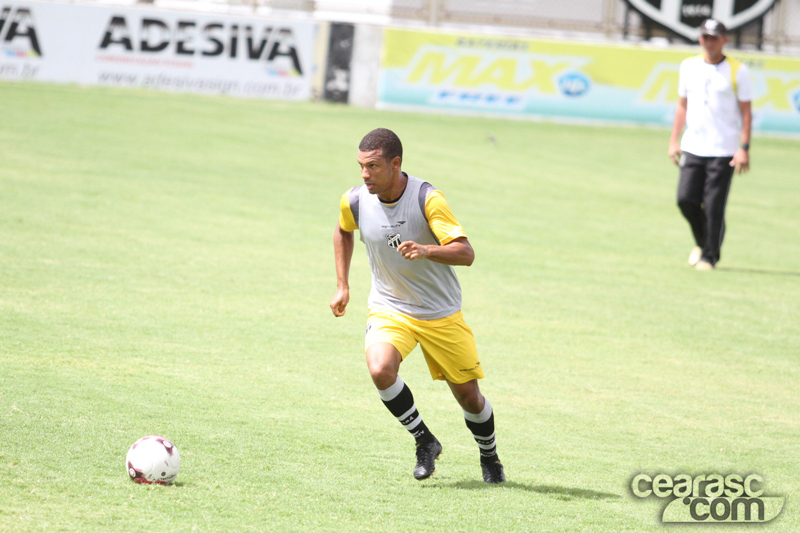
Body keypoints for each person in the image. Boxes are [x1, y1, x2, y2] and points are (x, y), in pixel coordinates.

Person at [330, 128, 505, 483]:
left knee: (470, 398)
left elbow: (466, 253)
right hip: (389, 307)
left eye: (373, 166)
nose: (365, 174)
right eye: (361, 166)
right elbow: (342, 230)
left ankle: (489, 456)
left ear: (395, 164)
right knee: (380, 369)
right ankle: (425, 440)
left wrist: (428, 250)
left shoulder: (428, 198)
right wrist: (343, 284)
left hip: (439, 312)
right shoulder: (356, 200)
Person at [668, 18, 752, 271]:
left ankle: (709, 257)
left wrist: (744, 147)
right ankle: (702, 242)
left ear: (724, 40)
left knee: (714, 206)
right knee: (685, 200)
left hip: (723, 149)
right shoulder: (689, 66)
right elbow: (682, 105)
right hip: (693, 145)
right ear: (700, 39)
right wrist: (674, 140)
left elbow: (746, 112)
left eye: (714, 38)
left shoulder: (738, 70)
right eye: (706, 37)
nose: (709, 42)